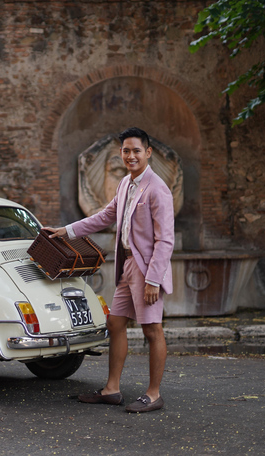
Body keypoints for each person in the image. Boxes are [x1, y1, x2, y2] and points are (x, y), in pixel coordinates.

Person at [46, 126, 174, 413]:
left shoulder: (158, 189)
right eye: (126, 151)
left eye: (136, 151)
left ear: (148, 153)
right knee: (115, 323)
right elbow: (105, 216)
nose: (130, 156)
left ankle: (153, 395)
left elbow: (165, 240)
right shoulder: (125, 184)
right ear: (121, 153)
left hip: (147, 270)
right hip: (127, 265)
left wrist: (154, 279)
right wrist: (67, 231)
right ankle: (111, 390)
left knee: (152, 329)